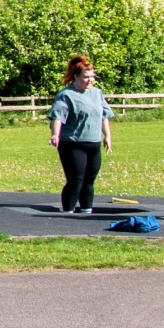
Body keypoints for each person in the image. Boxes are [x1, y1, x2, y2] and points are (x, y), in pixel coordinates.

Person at [48, 55, 113, 214]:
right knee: (76, 179)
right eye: (86, 77)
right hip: (72, 143)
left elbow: (104, 115)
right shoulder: (66, 95)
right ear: (76, 76)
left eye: (92, 77)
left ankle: (86, 210)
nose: (90, 80)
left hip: (93, 143)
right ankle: (68, 211)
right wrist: (55, 134)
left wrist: (108, 136)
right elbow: (58, 116)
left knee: (89, 180)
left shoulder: (97, 93)